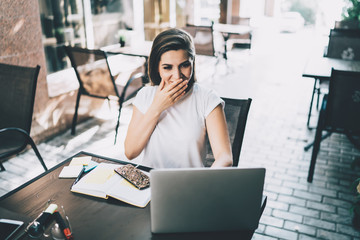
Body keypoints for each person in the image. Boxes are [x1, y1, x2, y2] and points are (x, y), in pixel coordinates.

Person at [124, 28, 232, 168]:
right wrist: (157, 107)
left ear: (193, 63)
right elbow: (130, 152)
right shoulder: (145, 95)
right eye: (167, 67)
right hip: (150, 185)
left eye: (185, 65)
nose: (177, 76)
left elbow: (225, 157)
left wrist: (206, 184)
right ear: (157, 68)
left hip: (191, 185)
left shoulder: (207, 99)